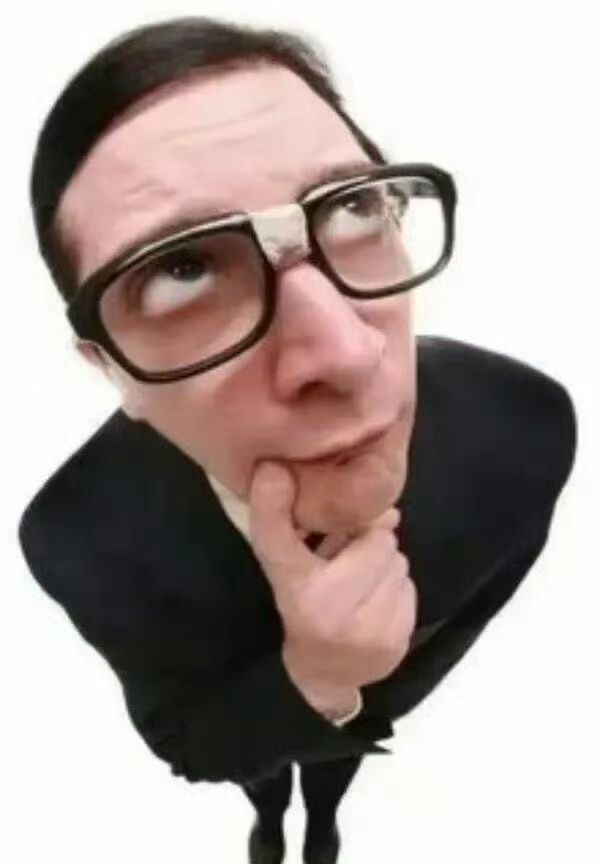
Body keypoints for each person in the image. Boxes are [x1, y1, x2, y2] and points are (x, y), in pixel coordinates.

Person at [17, 16, 577, 864]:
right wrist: (315, 678)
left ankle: (321, 815)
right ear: (111, 369)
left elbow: (460, 625)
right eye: (182, 269)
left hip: (362, 718)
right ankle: (273, 813)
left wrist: (354, 697)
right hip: (257, 724)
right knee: (266, 779)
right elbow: (188, 738)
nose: (348, 353)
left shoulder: (527, 428)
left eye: (352, 204)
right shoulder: (76, 539)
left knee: (329, 777)